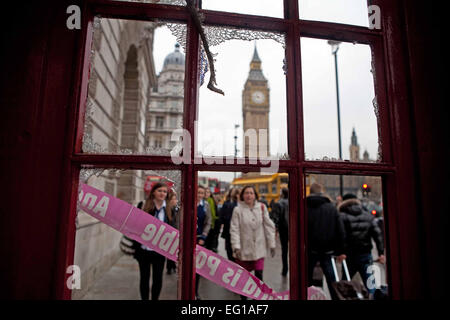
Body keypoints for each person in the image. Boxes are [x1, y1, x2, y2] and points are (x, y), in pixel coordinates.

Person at [230, 185, 276, 300]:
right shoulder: (237, 210)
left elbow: (268, 226)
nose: (249, 195)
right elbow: (234, 229)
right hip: (243, 250)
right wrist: (236, 247)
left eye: (251, 193)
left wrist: (272, 244)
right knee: (243, 279)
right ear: (242, 196)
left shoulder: (262, 207)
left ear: (255, 195)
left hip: (259, 249)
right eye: (246, 193)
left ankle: (258, 298)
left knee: (259, 276)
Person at [338, 193, 385, 295]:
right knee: (370, 284)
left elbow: (340, 236)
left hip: (349, 256)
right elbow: (378, 235)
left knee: (345, 284)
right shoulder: (367, 215)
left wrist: (340, 252)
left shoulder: (341, 216)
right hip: (365, 254)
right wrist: (381, 252)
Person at [306, 183, 346, 300]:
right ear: (321, 192)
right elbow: (340, 231)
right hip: (328, 250)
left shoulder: (305, 206)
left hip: (310, 250)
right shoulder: (331, 208)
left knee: (308, 280)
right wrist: (340, 251)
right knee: (332, 281)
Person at [132, 182, 169, 300]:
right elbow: (134, 226)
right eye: (160, 191)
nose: (162, 193)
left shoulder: (169, 209)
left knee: (158, 279)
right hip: (144, 250)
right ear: (153, 192)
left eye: (164, 191)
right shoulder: (143, 205)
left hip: (160, 251)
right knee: (144, 278)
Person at [195, 185, 212, 300]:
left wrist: (204, 236)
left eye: (201, 193)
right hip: (186, 239)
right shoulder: (185, 203)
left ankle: (195, 292)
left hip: (200, 239)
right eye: (198, 192)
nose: (199, 195)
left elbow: (208, 222)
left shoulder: (206, 205)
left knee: (197, 268)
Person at [218, 188, 240, 262]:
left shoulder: (241, 204)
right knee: (230, 249)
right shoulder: (229, 204)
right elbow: (222, 215)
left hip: (234, 231)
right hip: (229, 229)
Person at [272, 187, 289, 276]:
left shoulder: (279, 203)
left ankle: (285, 269)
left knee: (284, 250)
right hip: (292, 228)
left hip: (283, 229)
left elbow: (276, 218)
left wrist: (276, 229)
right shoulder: (294, 201)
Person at [165, 189, 179, 275]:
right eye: (172, 199)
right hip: (168, 233)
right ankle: (169, 267)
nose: (174, 201)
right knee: (169, 251)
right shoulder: (166, 210)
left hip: (176, 233)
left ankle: (173, 265)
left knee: (174, 251)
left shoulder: (177, 209)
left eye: (175, 199)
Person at [205, 188, 220, 253]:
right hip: (206, 223)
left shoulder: (211, 201)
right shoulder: (203, 201)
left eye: (208, 192)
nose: (206, 194)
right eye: (205, 192)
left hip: (212, 223)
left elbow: (214, 213)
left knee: (210, 241)